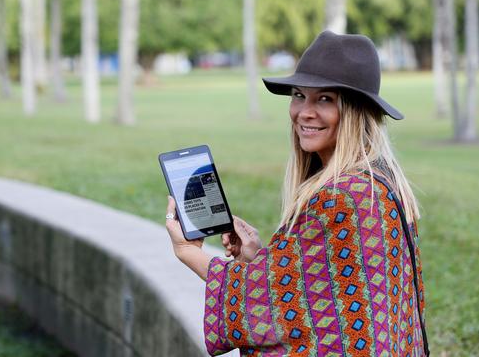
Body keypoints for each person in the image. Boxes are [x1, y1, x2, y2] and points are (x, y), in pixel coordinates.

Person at [164, 31, 428, 356]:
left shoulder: (344, 196)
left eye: (325, 99)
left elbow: (267, 303)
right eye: (299, 95)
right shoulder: (378, 181)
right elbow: (323, 292)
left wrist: (188, 251)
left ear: (356, 111)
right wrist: (257, 257)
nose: (304, 111)